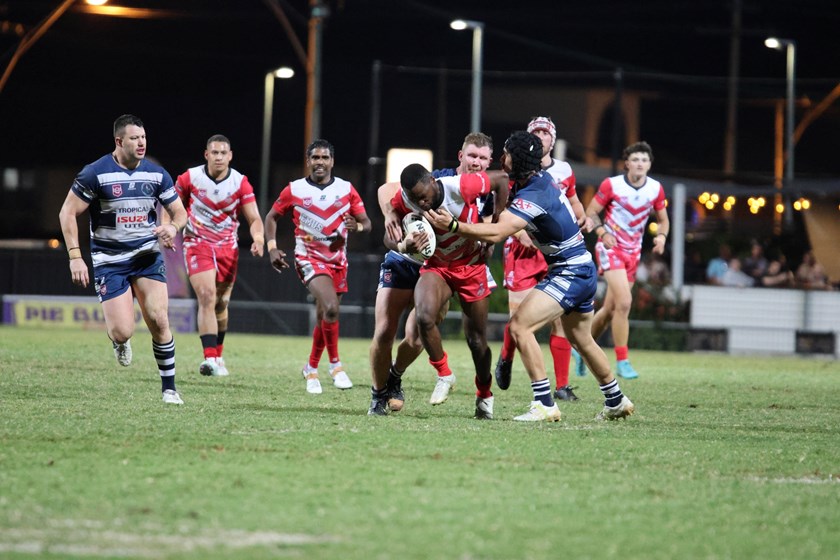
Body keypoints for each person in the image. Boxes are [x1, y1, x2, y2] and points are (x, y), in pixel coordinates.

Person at [426, 131, 635, 422]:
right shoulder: (535, 181)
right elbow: (497, 185)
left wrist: (453, 225)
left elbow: (499, 233)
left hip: (569, 269)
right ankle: (616, 400)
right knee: (582, 339)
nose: (502, 157)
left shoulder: (534, 194)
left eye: (507, 152)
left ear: (518, 159)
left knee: (519, 327)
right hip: (579, 266)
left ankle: (544, 403)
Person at [58, 114, 188, 405]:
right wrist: (75, 257)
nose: (141, 143)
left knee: (158, 318)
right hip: (109, 259)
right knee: (122, 330)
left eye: (143, 137)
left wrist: (172, 227)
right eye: (134, 138)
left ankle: (169, 389)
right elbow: (67, 212)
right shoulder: (95, 173)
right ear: (119, 141)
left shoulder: (156, 174)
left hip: (146, 255)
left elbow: (180, 213)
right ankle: (119, 342)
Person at [368, 133, 494, 416]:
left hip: (444, 267)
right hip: (406, 258)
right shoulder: (437, 180)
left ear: (489, 162)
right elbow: (386, 190)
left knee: (416, 337)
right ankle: (378, 396)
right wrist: (390, 215)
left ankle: (394, 377)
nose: (476, 162)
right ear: (461, 156)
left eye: (483, 158)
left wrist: (490, 241)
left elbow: (491, 225)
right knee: (385, 329)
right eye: (472, 156)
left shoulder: (486, 192)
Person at [264, 139, 371, 394]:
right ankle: (335, 366)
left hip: (338, 262)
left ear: (332, 161)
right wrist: (271, 247)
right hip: (308, 259)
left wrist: (358, 227)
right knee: (332, 308)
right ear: (308, 161)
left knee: (326, 316)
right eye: (315, 158)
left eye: (324, 158)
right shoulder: (295, 189)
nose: (320, 162)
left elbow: (366, 223)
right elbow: (271, 217)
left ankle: (311, 368)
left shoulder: (346, 189)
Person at [494, 116, 586, 402]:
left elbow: (571, 199)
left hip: (552, 255)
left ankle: (562, 385)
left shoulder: (563, 170)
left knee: (558, 320)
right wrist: (522, 233)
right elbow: (505, 213)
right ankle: (506, 357)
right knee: (519, 318)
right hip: (522, 253)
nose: (542, 137)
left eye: (546, 133)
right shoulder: (511, 172)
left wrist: (580, 215)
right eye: (537, 133)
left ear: (553, 140)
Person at [169, 134, 265, 377]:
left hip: (227, 248)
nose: (219, 157)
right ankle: (209, 358)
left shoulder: (240, 182)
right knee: (206, 295)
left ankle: (218, 355)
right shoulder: (190, 178)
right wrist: (169, 230)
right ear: (206, 154)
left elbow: (254, 218)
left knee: (220, 305)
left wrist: (259, 238)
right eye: (215, 152)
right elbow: (170, 203)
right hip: (197, 243)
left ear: (230, 156)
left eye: (223, 153)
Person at [582, 141, 669, 379]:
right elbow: (591, 212)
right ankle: (623, 361)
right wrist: (603, 233)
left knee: (611, 309)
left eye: (644, 160)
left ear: (649, 165)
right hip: (610, 248)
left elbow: (663, 220)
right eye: (636, 159)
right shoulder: (612, 185)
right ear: (627, 163)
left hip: (633, 252)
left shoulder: (655, 189)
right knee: (624, 303)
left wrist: (661, 237)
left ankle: (581, 348)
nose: (640, 164)